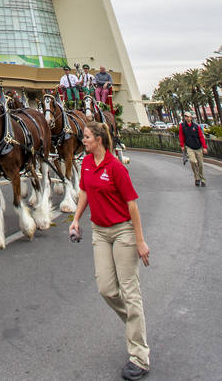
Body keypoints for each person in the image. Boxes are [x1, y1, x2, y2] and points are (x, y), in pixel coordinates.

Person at [69, 121, 150, 380]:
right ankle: (134, 324)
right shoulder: (86, 163)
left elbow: (132, 206)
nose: (84, 141)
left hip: (123, 231)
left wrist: (140, 241)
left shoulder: (115, 167)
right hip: (100, 231)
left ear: (99, 140)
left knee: (130, 291)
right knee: (106, 288)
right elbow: (84, 191)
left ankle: (139, 356)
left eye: (87, 137)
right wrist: (75, 219)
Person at [178, 111, 208, 187]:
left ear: (191, 117)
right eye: (186, 116)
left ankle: (202, 179)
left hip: (198, 147)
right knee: (193, 161)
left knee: (200, 164)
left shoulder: (196, 126)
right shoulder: (182, 126)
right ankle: (197, 178)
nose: (187, 118)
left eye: (188, 116)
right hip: (189, 147)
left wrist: (204, 147)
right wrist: (182, 145)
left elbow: (201, 137)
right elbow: (181, 136)